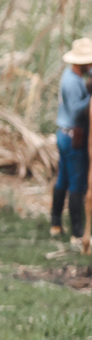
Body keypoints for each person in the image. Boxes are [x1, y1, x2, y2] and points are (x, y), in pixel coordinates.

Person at [51, 37, 92, 242]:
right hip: (72, 137)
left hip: (64, 134)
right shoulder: (73, 82)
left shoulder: (72, 75)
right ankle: (77, 233)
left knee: (63, 179)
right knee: (77, 183)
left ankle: (56, 223)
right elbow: (76, 111)